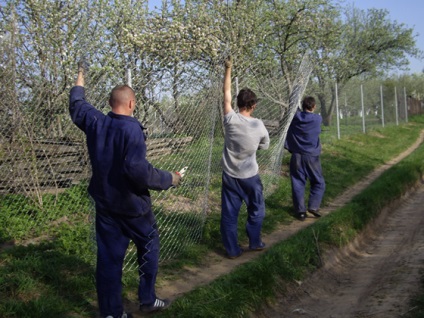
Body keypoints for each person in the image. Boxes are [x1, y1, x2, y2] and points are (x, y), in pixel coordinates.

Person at [69, 62, 182, 318]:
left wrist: (81, 76)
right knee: (150, 244)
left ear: (110, 103)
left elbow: (76, 104)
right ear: (131, 104)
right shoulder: (132, 130)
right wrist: (169, 179)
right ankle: (147, 298)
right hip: (133, 208)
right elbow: (137, 171)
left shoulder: (96, 121)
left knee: (109, 261)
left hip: (106, 206)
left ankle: (111, 313)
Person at [220, 57, 270, 259]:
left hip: (230, 175)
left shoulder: (230, 119)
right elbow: (264, 146)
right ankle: (255, 241)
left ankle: (232, 250)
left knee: (229, 215)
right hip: (250, 175)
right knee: (256, 209)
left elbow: (226, 94)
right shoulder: (258, 125)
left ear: (238, 103)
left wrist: (229, 69)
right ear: (254, 105)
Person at [284, 96, 325, 221]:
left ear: (302, 106)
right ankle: (313, 206)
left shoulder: (295, 118)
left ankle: (300, 212)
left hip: (296, 156)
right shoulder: (317, 119)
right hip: (311, 157)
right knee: (318, 182)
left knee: (298, 183)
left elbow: (294, 110)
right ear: (314, 106)